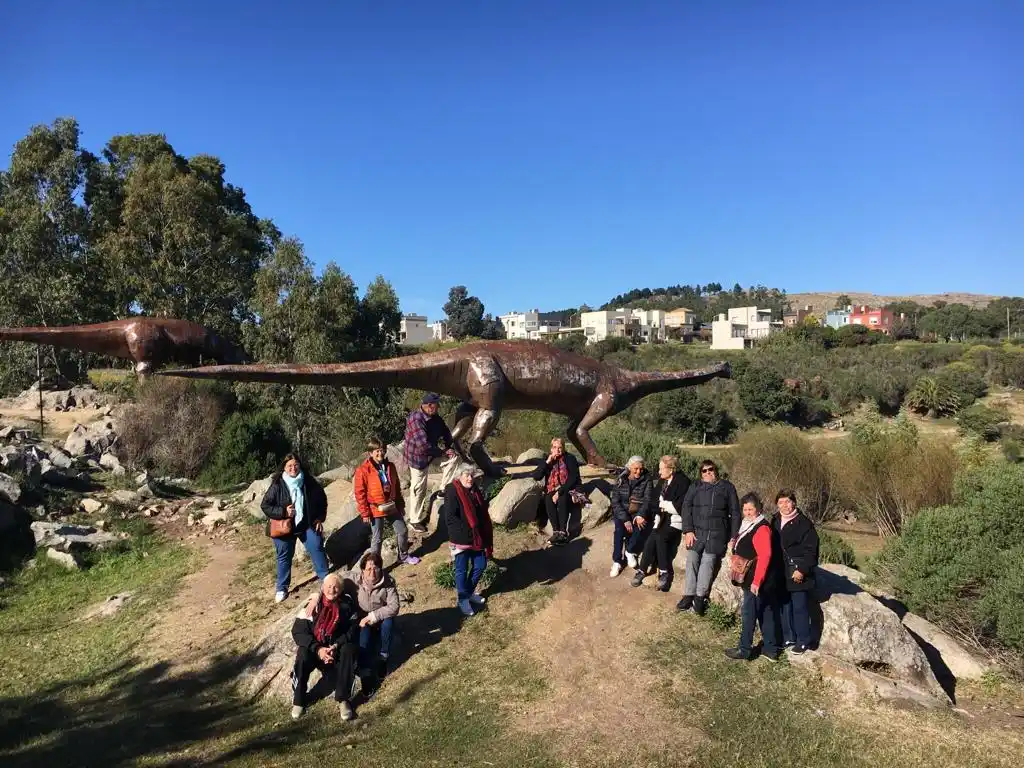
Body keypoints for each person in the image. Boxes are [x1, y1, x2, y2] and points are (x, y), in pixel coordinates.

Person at [290, 573, 360, 721]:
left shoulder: (347, 605)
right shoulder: (313, 605)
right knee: (303, 653)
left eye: (336, 587)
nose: (332, 590)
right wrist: (318, 649)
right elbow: (298, 631)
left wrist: (336, 645)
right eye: (329, 586)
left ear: (341, 590)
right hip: (317, 649)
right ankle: (299, 700)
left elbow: (352, 629)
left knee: (349, 650)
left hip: (336, 648)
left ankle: (343, 699)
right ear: (322, 587)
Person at [262, 453, 331, 603]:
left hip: (306, 524)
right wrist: (283, 512)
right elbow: (265, 505)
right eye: (289, 466)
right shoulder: (278, 484)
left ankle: (325, 577)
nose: (293, 468)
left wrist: (319, 518)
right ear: (284, 468)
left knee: (317, 545)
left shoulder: (308, 481)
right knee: (284, 557)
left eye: (296, 465)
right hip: (284, 527)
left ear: (300, 465)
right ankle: (282, 588)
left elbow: (322, 500)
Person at [676, 459, 741, 615]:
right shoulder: (695, 487)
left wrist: (734, 537)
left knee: (708, 560)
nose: (707, 473)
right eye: (704, 471)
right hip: (697, 532)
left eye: (710, 469)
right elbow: (686, 507)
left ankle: (699, 598)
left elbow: (735, 513)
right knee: (692, 557)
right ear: (700, 473)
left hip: (717, 534)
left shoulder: (727, 487)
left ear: (715, 470)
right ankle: (688, 594)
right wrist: (688, 530)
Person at [724, 493, 782, 662]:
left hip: (756, 579)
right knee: (765, 612)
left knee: (749, 613)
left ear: (758, 509)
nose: (747, 512)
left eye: (751, 509)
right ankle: (771, 649)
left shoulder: (761, 528)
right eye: (745, 509)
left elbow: (765, 556)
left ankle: (744, 649)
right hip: (756, 578)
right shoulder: (748, 524)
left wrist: (757, 582)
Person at [354, 437, 420, 566]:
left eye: (382, 450)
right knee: (377, 539)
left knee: (402, 530)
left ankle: (403, 556)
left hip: (391, 505)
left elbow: (396, 487)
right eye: (377, 451)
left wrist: (400, 504)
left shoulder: (390, 466)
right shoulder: (363, 470)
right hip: (375, 509)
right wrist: (365, 513)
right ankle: (375, 566)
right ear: (370, 453)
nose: (380, 453)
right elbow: (359, 493)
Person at [631, 455, 690, 592]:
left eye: (661, 469)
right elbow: (653, 502)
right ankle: (642, 570)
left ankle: (664, 572)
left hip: (676, 521)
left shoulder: (683, 482)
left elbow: (680, 507)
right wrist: (663, 506)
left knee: (659, 536)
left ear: (671, 469)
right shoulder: (662, 482)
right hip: (661, 519)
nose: (659, 472)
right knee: (651, 538)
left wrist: (662, 504)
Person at [443, 464, 494, 617]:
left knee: (481, 565)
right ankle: (463, 600)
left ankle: (468, 593)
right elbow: (450, 518)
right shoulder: (452, 490)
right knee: (461, 570)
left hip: (477, 537)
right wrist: (462, 535)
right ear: (459, 476)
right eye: (466, 475)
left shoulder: (474, 489)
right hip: (461, 539)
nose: (470, 478)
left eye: (471, 475)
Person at [343, 551, 400, 686]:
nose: (372, 572)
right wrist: (316, 596)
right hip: (363, 619)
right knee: (364, 638)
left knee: (388, 623)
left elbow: (394, 606)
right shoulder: (354, 579)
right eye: (368, 569)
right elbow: (332, 582)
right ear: (362, 570)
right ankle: (365, 670)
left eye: (376, 568)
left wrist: (373, 616)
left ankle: (383, 657)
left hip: (381, 617)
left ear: (380, 568)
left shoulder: (388, 581)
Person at [774, 489, 820, 654]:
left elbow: (811, 551)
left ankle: (803, 640)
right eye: (780, 502)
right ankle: (788, 637)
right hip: (780, 571)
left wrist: (802, 570)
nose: (784, 505)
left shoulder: (804, 524)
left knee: (799, 607)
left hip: (797, 572)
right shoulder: (775, 520)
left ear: (794, 503)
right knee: (784, 605)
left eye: (787, 501)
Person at [403, 393, 456, 534]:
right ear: (428, 406)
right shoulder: (416, 419)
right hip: (417, 458)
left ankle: (443, 490)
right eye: (436, 405)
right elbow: (423, 446)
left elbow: (445, 430)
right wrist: (442, 452)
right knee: (419, 488)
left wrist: (448, 445)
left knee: (453, 459)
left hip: (431, 452)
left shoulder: (435, 417)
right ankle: (414, 520)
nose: (438, 407)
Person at [609, 456, 655, 578]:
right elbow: (615, 502)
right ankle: (617, 561)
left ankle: (630, 551)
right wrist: (625, 519)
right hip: (622, 511)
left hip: (637, 511)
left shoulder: (647, 479)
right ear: (629, 468)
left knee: (641, 525)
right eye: (636, 469)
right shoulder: (621, 479)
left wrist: (640, 514)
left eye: (641, 468)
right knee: (619, 531)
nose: (638, 472)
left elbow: (647, 500)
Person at [531, 437, 582, 546]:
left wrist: (559, 491)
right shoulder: (547, 459)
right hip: (552, 489)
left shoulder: (570, 458)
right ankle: (556, 532)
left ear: (563, 448)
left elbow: (573, 478)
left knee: (562, 497)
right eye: (554, 447)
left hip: (568, 488)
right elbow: (536, 476)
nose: (557, 450)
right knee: (548, 498)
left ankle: (563, 532)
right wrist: (547, 462)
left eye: (560, 447)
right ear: (551, 449)